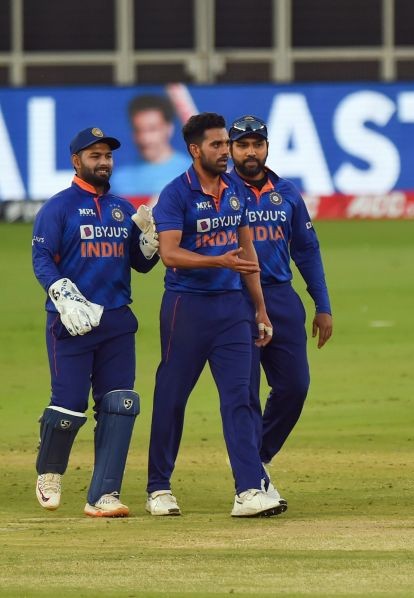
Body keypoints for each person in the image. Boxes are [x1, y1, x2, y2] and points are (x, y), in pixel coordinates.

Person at [146, 112, 284, 518]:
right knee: (172, 397)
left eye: (227, 144)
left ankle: (248, 489)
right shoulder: (175, 194)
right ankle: (158, 488)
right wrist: (217, 262)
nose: (226, 152)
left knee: (240, 398)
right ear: (195, 150)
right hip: (185, 309)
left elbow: (248, 254)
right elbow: (169, 254)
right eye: (217, 145)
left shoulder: (235, 191)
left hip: (231, 309)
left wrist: (260, 307)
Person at [31, 127, 160, 517]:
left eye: (107, 156)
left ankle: (103, 495)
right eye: (94, 156)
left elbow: (139, 265)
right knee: (69, 405)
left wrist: (149, 243)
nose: (103, 162)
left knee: (120, 405)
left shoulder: (123, 208)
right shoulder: (58, 208)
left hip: (117, 321)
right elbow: (42, 259)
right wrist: (61, 294)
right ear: (76, 161)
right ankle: (50, 472)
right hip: (71, 322)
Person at [227, 115, 333, 507]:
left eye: (257, 144)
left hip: (282, 298)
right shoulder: (220, 192)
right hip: (234, 300)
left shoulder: (286, 192)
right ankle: (250, 477)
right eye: (242, 145)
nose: (250, 152)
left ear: (267, 147)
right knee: (245, 391)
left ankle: (255, 459)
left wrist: (322, 305)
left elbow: (306, 250)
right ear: (232, 150)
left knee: (294, 387)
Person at [115, 94, 192, 199]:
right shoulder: (118, 180)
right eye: (138, 130)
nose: (145, 139)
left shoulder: (193, 174)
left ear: (169, 129)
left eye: (152, 129)